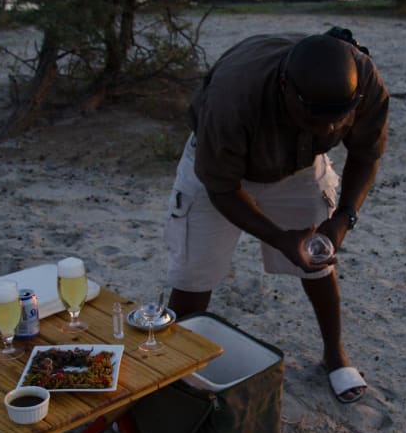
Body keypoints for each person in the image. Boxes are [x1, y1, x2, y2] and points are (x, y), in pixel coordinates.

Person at [164, 30, 389, 403]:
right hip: (218, 172)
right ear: (286, 89)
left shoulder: (365, 81)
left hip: (298, 167)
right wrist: (281, 239)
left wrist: (342, 220)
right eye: (317, 118)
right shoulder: (233, 97)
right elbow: (222, 190)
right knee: (193, 273)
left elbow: (367, 153)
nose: (330, 129)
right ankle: (172, 368)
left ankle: (334, 353)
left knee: (317, 262)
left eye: (339, 118)